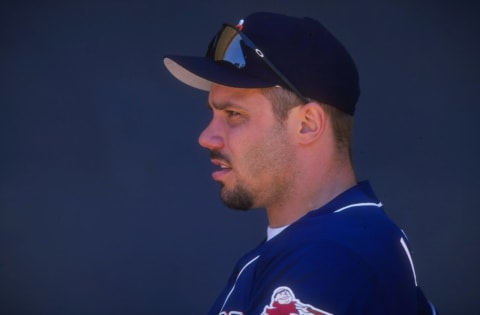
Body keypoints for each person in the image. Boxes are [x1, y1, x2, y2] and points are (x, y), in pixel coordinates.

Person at [163, 11, 437, 315]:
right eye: (214, 113)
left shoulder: (337, 253)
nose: (206, 137)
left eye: (234, 114)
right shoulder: (312, 246)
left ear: (307, 124)